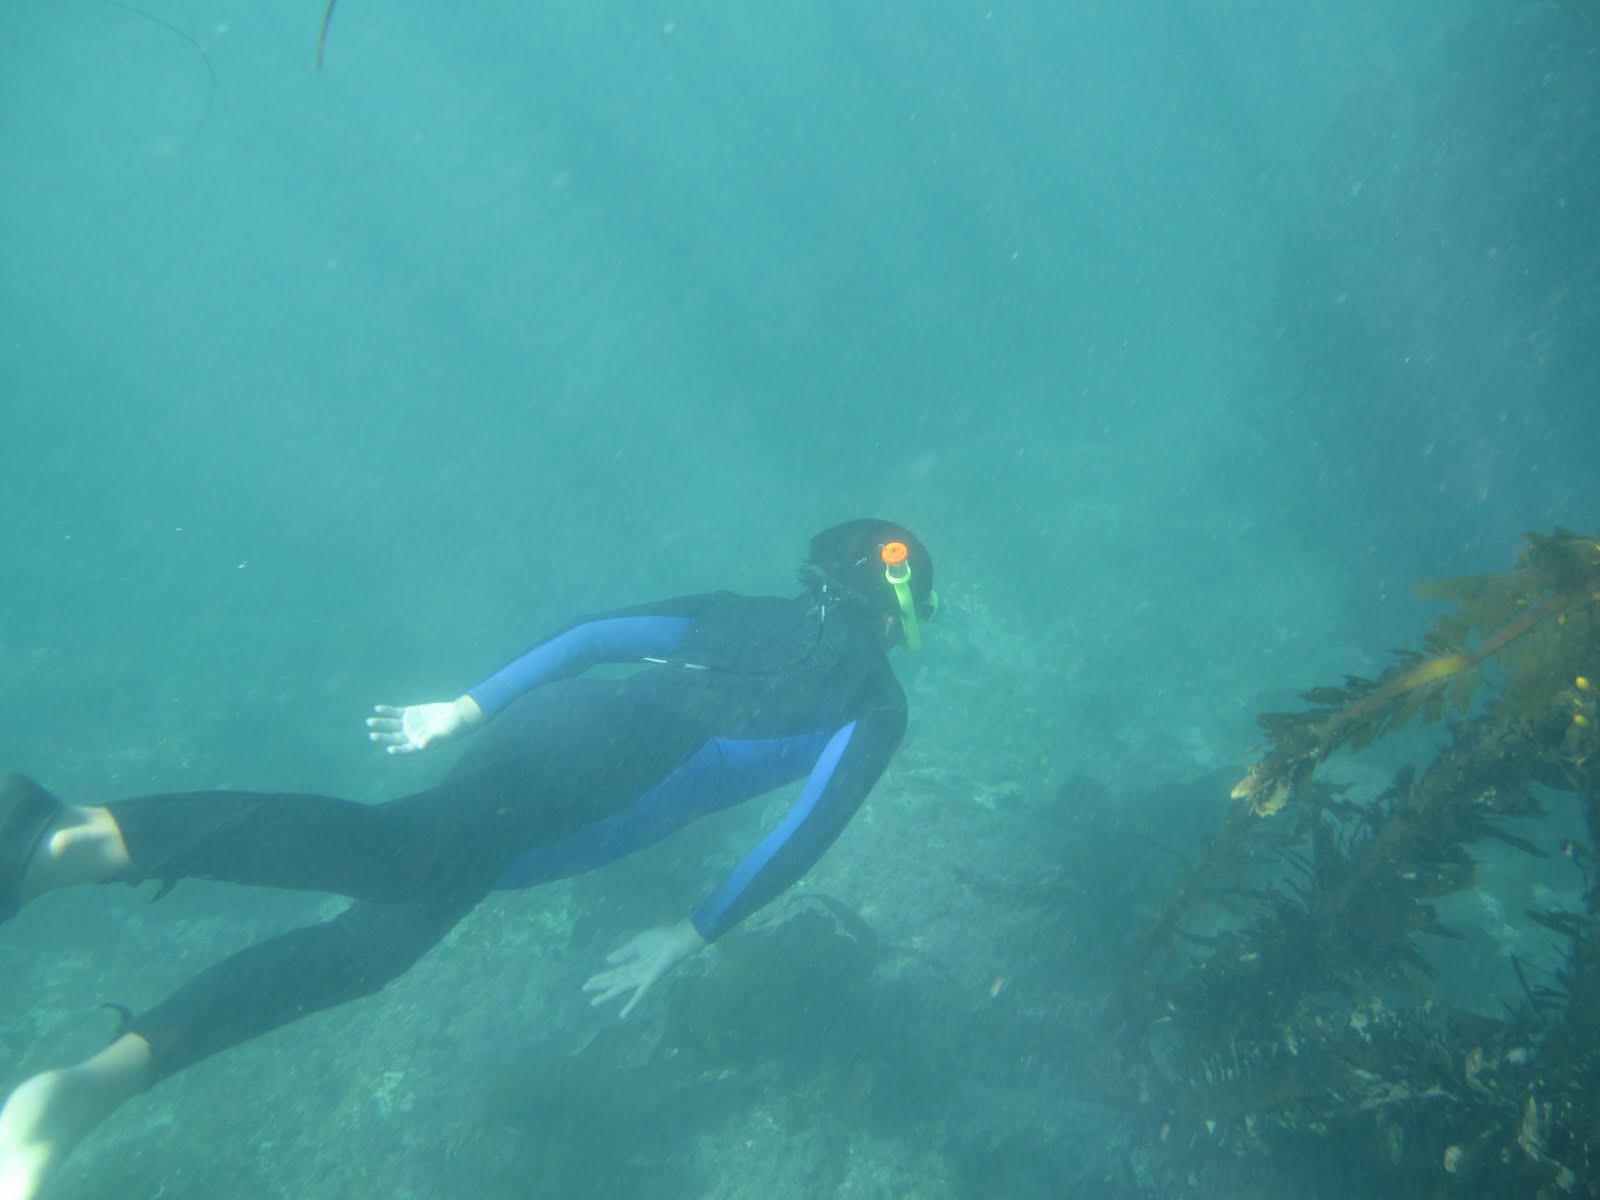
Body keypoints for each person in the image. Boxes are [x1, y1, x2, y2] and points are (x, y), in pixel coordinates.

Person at [0, 518, 936, 1199]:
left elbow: (595, 637)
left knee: (372, 949)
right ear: (898, 610)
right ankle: (74, 836)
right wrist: (692, 932)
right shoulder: (878, 704)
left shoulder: (745, 612)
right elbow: (806, 832)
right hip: (592, 781)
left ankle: (89, 1089)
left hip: (560, 737)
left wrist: (470, 708)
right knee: (394, 858)